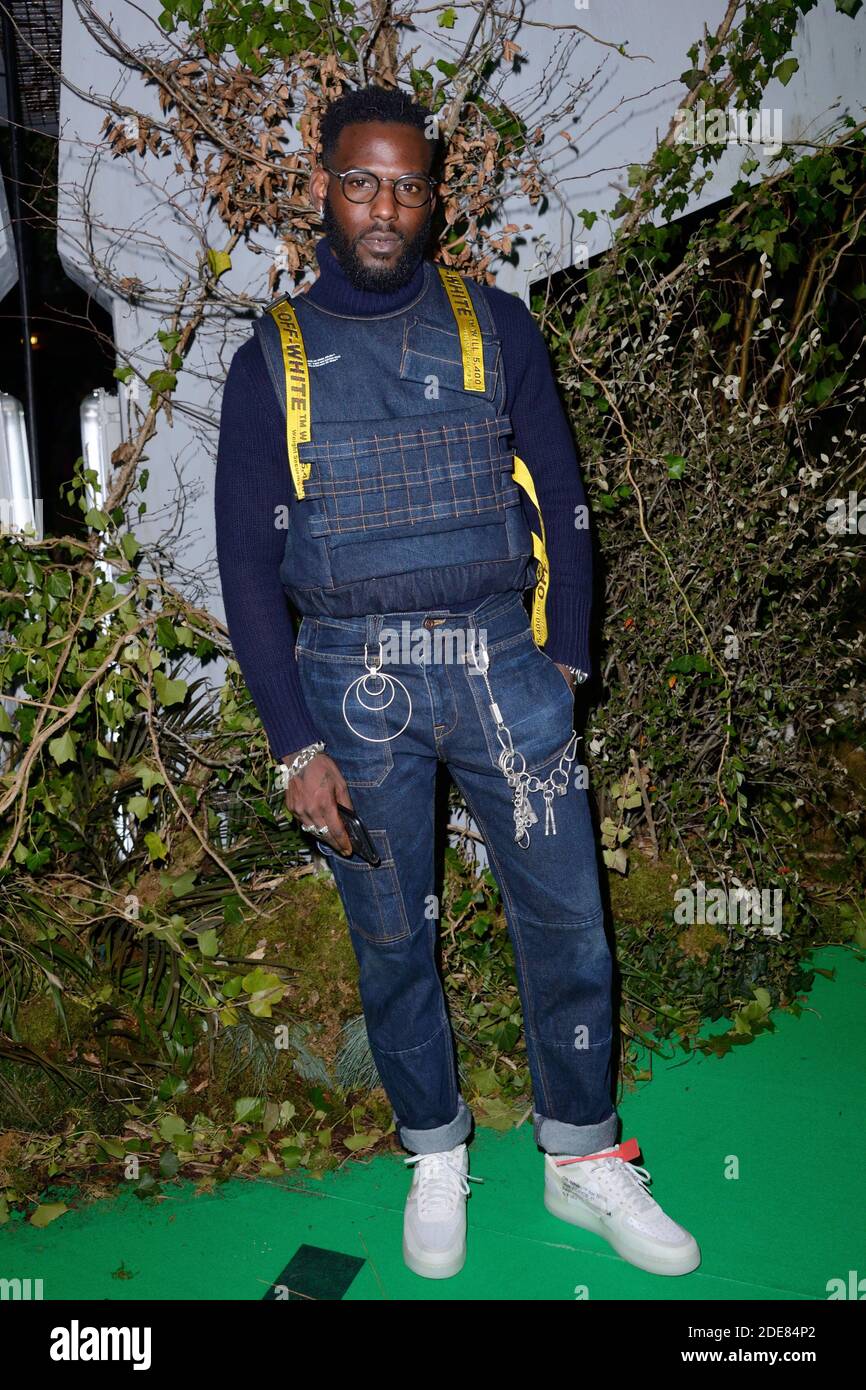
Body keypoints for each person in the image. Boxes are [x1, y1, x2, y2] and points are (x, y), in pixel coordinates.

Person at [215, 84, 700, 1282]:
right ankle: (434, 1150)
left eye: (407, 185)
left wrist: (568, 655)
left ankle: (582, 1155)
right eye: (360, 182)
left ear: (433, 198)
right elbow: (243, 563)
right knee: (391, 937)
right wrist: (291, 743)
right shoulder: (269, 357)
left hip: (499, 662)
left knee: (569, 919)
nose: (384, 207)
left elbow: (567, 500)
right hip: (350, 682)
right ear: (323, 188)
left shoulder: (494, 327)